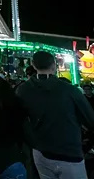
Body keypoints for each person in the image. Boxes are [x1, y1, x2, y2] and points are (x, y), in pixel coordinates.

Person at [17, 50, 94, 178]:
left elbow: (19, 119)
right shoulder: (69, 90)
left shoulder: (23, 89)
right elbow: (90, 119)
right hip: (70, 153)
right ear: (54, 65)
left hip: (40, 151)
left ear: (33, 65)